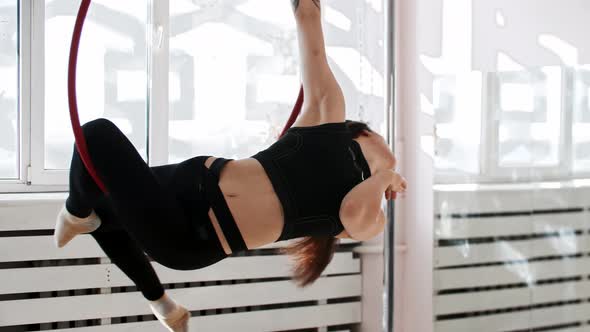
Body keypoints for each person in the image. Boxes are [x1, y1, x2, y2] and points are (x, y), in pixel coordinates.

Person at [53, 1, 407, 331]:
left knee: (96, 136)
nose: (388, 152)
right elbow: (309, 20)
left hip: (190, 239)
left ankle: (76, 212)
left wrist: (385, 177)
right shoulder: (325, 116)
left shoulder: (373, 216)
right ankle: (162, 303)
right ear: (361, 132)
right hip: (189, 183)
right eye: (384, 142)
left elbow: (351, 208)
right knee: (104, 210)